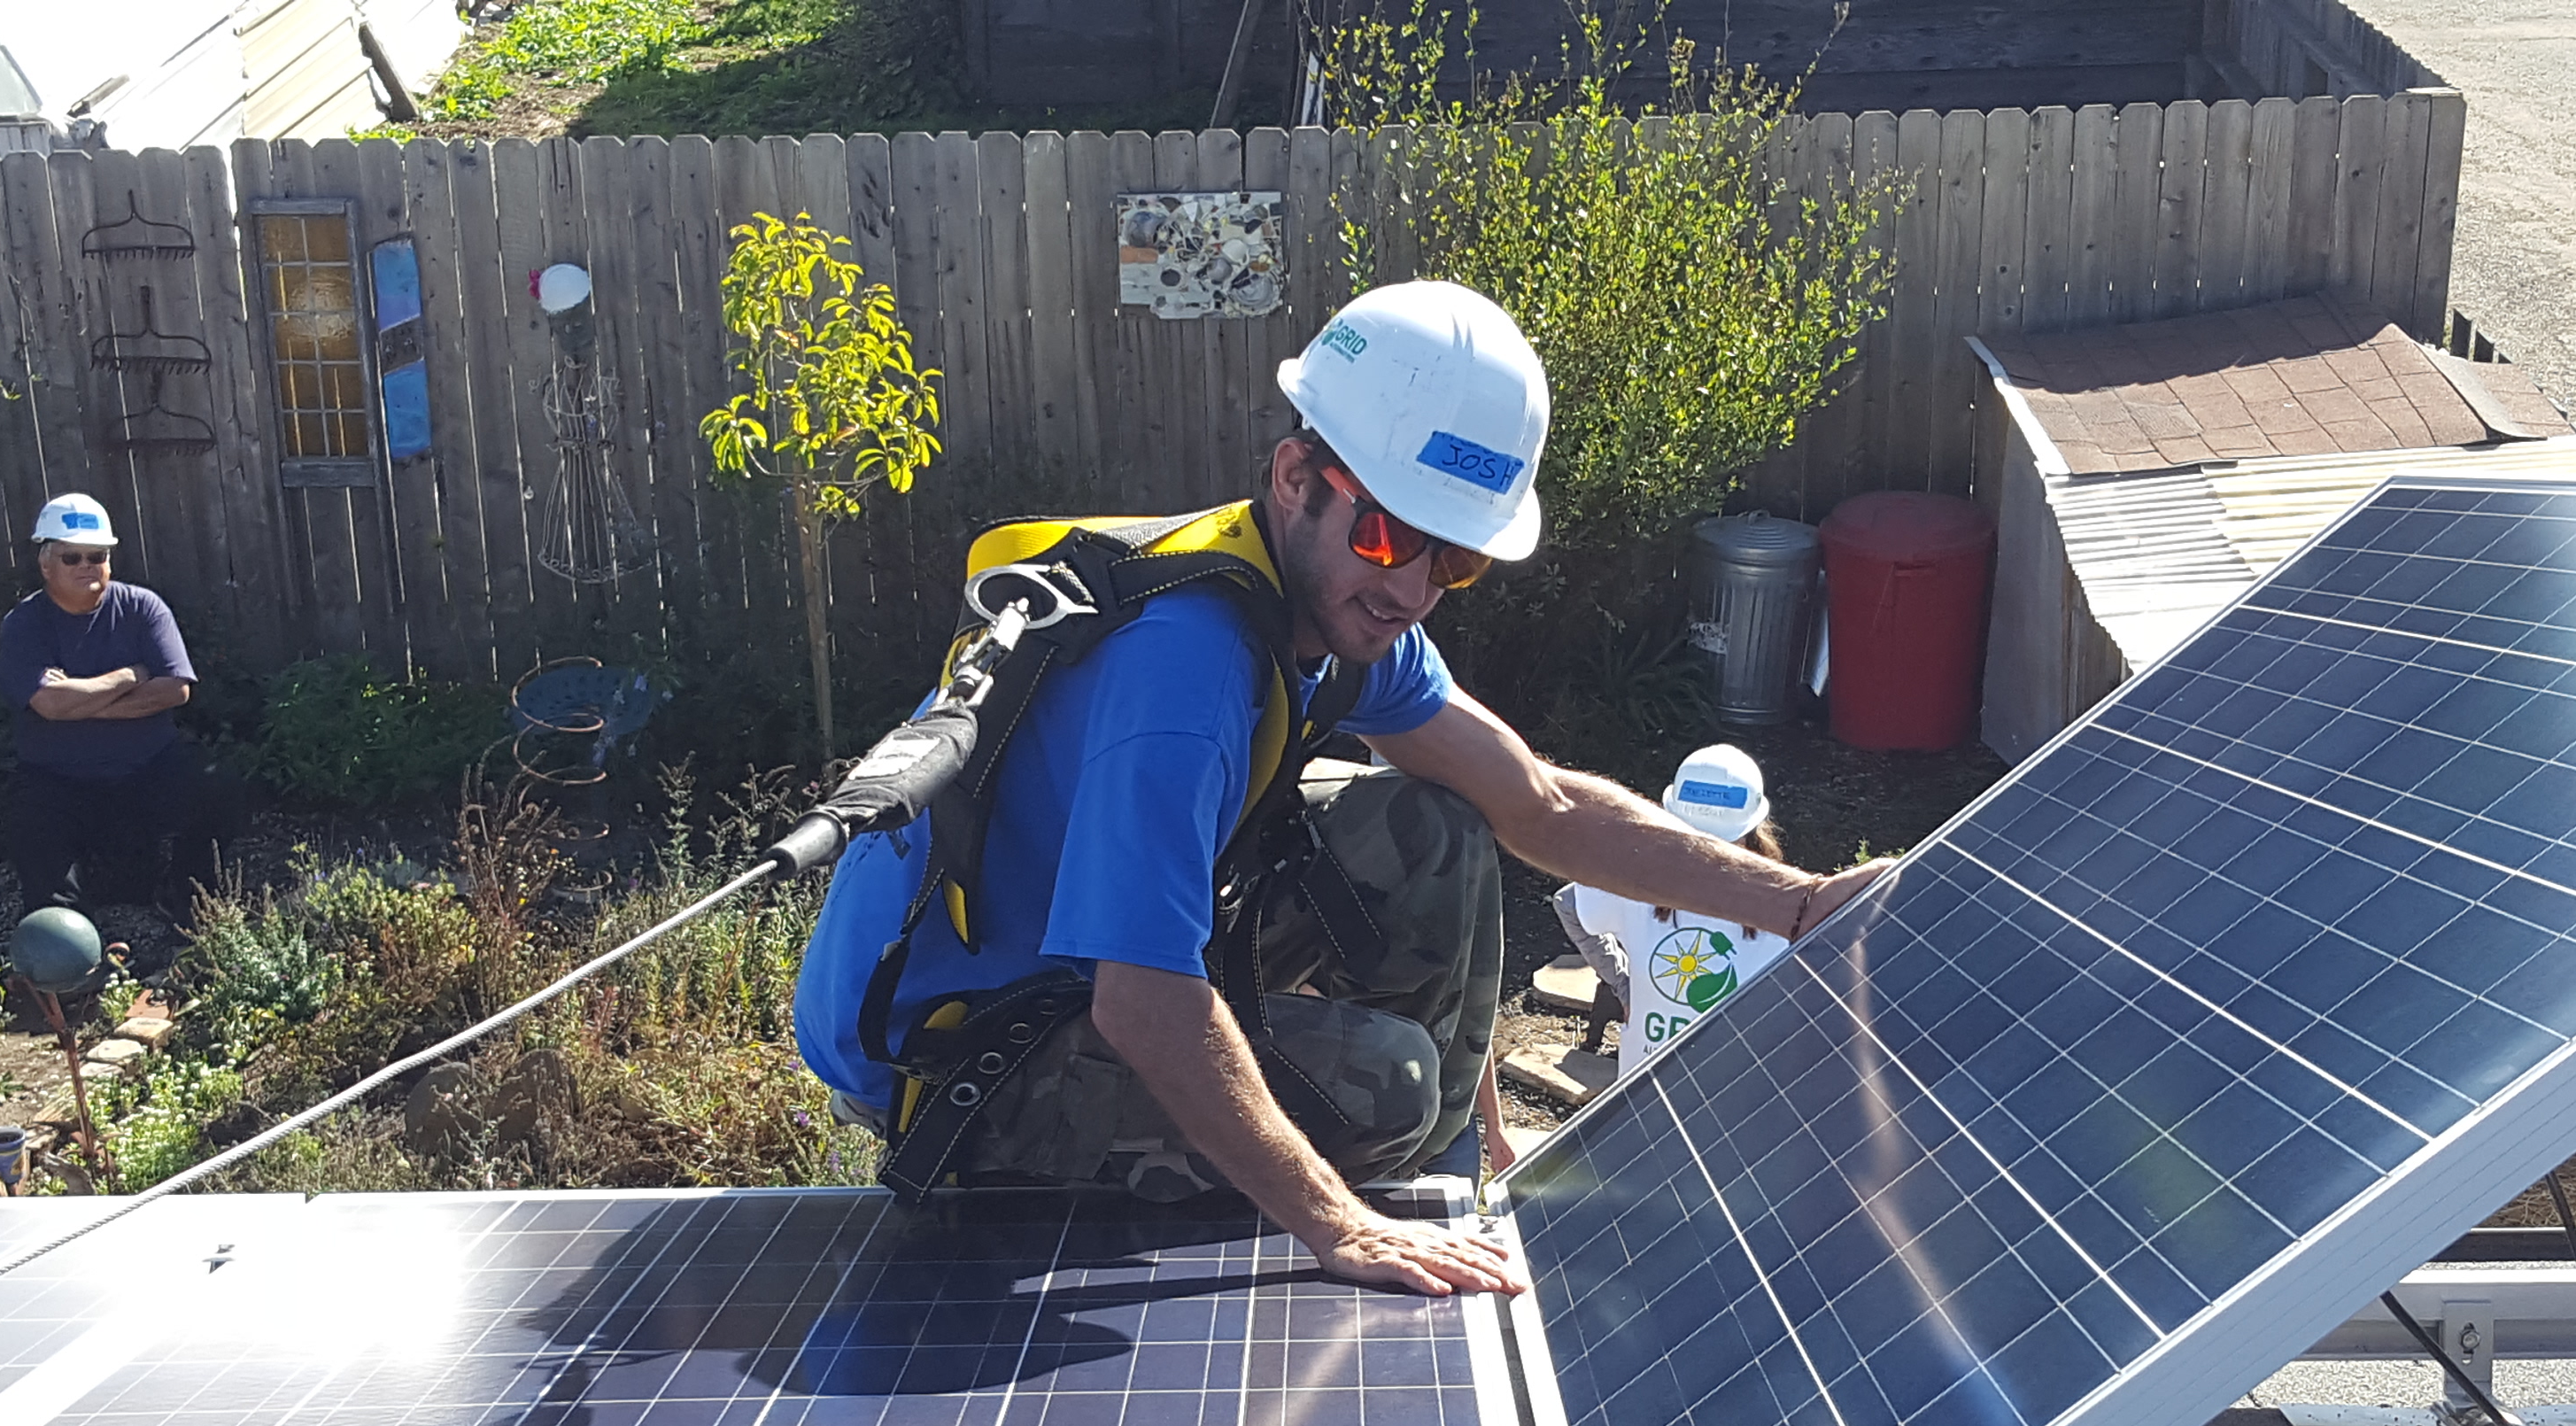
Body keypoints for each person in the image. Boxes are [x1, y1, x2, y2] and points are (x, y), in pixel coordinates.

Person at [793, 281, 1888, 1297]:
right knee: (1386, 1088)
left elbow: (1536, 804)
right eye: (1386, 534)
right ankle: (1386, 1170)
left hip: (1075, 956)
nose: (1412, 587)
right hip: (963, 1047)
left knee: (1434, 829)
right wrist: (1336, 1222)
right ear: (1292, 479)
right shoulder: (1185, 669)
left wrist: (1795, 906)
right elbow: (1143, 999)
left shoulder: (1337, 614)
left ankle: (1450, 1185)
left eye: (1453, 561)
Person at [0, 494, 238, 921]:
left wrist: (77, 700)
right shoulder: (23, 624)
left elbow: (175, 691)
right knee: (31, 828)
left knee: (219, 789)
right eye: (72, 557)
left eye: (97, 555)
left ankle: (189, 902)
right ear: (46, 564)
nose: (86, 565)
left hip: (147, 767)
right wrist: (130, 675)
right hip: (58, 779)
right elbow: (49, 704)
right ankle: (64, 948)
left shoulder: (143, 607)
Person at [1556, 744, 1794, 1073]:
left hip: (1708, 1095)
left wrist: (1625, 987)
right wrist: (1624, 987)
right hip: (1669, 1089)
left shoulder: (1784, 906)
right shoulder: (1784, 905)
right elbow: (1569, 905)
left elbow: (1569, 905)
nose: (1710, 852)